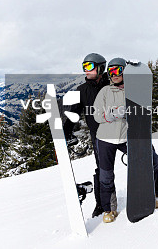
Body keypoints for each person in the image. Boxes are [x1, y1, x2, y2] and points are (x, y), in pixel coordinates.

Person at [93, 57, 158, 223]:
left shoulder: (134, 90)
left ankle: (149, 195)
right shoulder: (105, 92)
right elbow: (97, 115)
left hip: (128, 137)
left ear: (125, 72)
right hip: (106, 139)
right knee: (106, 175)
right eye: (110, 71)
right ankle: (109, 209)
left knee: (153, 161)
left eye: (118, 70)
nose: (114, 75)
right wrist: (113, 113)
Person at [63, 53, 110, 218]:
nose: (86, 70)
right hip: (98, 136)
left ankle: (152, 186)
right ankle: (102, 204)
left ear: (100, 67)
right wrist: (65, 133)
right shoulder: (81, 90)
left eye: (89, 66)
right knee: (103, 172)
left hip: (120, 132)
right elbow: (72, 114)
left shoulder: (113, 84)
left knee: (143, 158)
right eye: (84, 67)